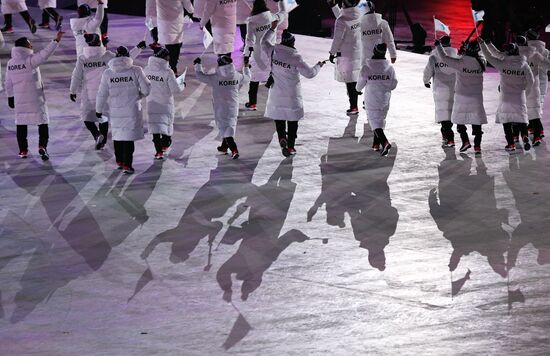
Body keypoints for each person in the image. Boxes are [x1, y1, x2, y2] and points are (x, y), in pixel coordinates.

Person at [70, 34, 146, 150]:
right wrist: (138, 48)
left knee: (86, 117)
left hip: (88, 93)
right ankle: (103, 139)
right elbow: (124, 61)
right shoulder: (108, 56)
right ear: (99, 41)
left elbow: (77, 76)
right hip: (105, 92)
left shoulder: (82, 58)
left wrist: (73, 90)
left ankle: (96, 134)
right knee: (103, 117)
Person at [261, 22, 324, 157]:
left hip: (276, 92)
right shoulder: (295, 58)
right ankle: (290, 146)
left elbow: (264, 41)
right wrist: (318, 65)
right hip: (291, 95)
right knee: (292, 120)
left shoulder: (273, 52)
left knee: (279, 116)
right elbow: (310, 74)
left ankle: (281, 136)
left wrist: (272, 28)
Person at [5, 31, 64, 160]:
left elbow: (8, 82)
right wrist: (56, 40)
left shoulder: (11, 63)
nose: (31, 46)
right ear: (25, 47)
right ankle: (42, 146)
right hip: (35, 99)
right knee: (43, 122)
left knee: (21, 124)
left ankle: (23, 150)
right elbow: (45, 54)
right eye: (30, 44)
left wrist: (10, 97)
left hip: (20, 100)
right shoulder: (30, 60)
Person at [96, 46, 151, 174]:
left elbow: (101, 94)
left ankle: (120, 161)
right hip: (131, 109)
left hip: (115, 110)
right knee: (128, 137)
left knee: (118, 135)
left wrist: (98, 110)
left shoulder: (108, 73)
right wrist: (138, 95)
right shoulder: (136, 70)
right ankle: (127, 165)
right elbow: (147, 90)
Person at [480, 40, 534, 153]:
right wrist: (523, 87)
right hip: (519, 96)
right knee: (521, 118)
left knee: (507, 121)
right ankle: (524, 135)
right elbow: (531, 81)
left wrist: (483, 44)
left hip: (506, 97)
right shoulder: (524, 64)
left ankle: (511, 144)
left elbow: (489, 57)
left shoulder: (503, 64)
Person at [193, 54, 250, 159]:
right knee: (230, 125)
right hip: (233, 105)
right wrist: (246, 67)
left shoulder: (215, 77)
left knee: (225, 126)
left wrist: (197, 65)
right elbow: (247, 79)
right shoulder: (237, 76)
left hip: (220, 106)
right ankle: (224, 147)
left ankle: (234, 149)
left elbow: (200, 76)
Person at [436, 40, 487, 154]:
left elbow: (444, 58)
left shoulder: (460, 62)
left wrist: (439, 46)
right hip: (476, 97)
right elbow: (482, 55)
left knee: (459, 120)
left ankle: (465, 141)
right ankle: (477, 147)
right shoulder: (482, 62)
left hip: (461, 96)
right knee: (477, 122)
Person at [243, 0, 287, 110]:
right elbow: (284, 12)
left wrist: (246, 55)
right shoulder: (273, 17)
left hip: (257, 53)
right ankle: (276, 104)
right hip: (271, 52)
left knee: (254, 80)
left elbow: (249, 41)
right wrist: (281, 1)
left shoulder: (251, 22)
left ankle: (252, 103)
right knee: (273, 79)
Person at [356, 43, 397, 156]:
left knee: (374, 121)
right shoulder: (389, 68)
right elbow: (393, 84)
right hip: (385, 98)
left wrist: (358, 89)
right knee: (380, 119)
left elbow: (359, 85)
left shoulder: (367, 67)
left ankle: (385, 142)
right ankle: (376, 144)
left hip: (372, 98)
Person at [144, 48, 185, 160]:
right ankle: (165, 144)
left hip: (151, 103)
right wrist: (182, 84)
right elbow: (175, 90)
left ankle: (158, 152)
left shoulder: (146, 70)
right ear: (165, 58)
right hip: (165, 103)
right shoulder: (167, 72)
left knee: (155, 128)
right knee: (166, 126)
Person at [423, 35, 458, 147]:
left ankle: (448, 137)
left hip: (440, 88)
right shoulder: (455, 55)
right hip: (454, 88)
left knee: (443, 113)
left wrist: (426, 81)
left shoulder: (434, 56)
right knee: (450, 112)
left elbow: (428, 70)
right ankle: (446, 135)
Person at [329, 0, 362, 115]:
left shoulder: (342, 20)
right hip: (358, 52)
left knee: (350, 81)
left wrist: (332, 52)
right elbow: (343, 18)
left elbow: (337, 38)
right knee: (355, 79)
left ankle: (354, 107)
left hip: (346, 54)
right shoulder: (358, 15)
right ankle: (364, 102)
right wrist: (334, 7)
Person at [516, 35, 550, 146]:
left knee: (520, 112)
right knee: (535, 111)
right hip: (536, 86)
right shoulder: (536, 54)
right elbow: (547, 65)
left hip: (520, 87)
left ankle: (520, 135)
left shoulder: (515, 55)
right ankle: (537, 134)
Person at [156, 0, 197, 74]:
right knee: (175, 46)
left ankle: (169, 66)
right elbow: (190, 9)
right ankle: (173, 67)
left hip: (164, 23)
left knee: (168, 45)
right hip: (176, 24)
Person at [526, 28, 550, 137]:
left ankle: (538, 129)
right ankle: (532, 126)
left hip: (529, 82)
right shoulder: (546, 51)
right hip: (543, 82)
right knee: (537, 106)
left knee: (531, 106)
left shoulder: (526, 51)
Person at [360, 1, 396, 65]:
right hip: (379, 59)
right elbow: (389, 40)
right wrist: (393, 55)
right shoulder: (383, 23)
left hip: (364, 61)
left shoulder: (359, 25)